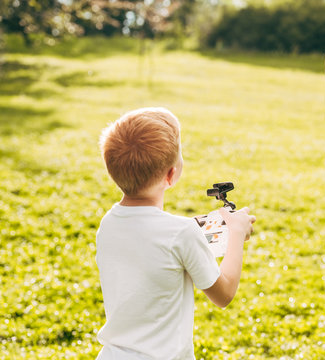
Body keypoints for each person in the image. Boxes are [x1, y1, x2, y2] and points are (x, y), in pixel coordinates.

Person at [96, 107, 256, 360]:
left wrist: (199, 228)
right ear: (171, 175)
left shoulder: (109, 224)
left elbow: (155, 247)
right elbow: (223, 294)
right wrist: (236, 233)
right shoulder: (182, 233)